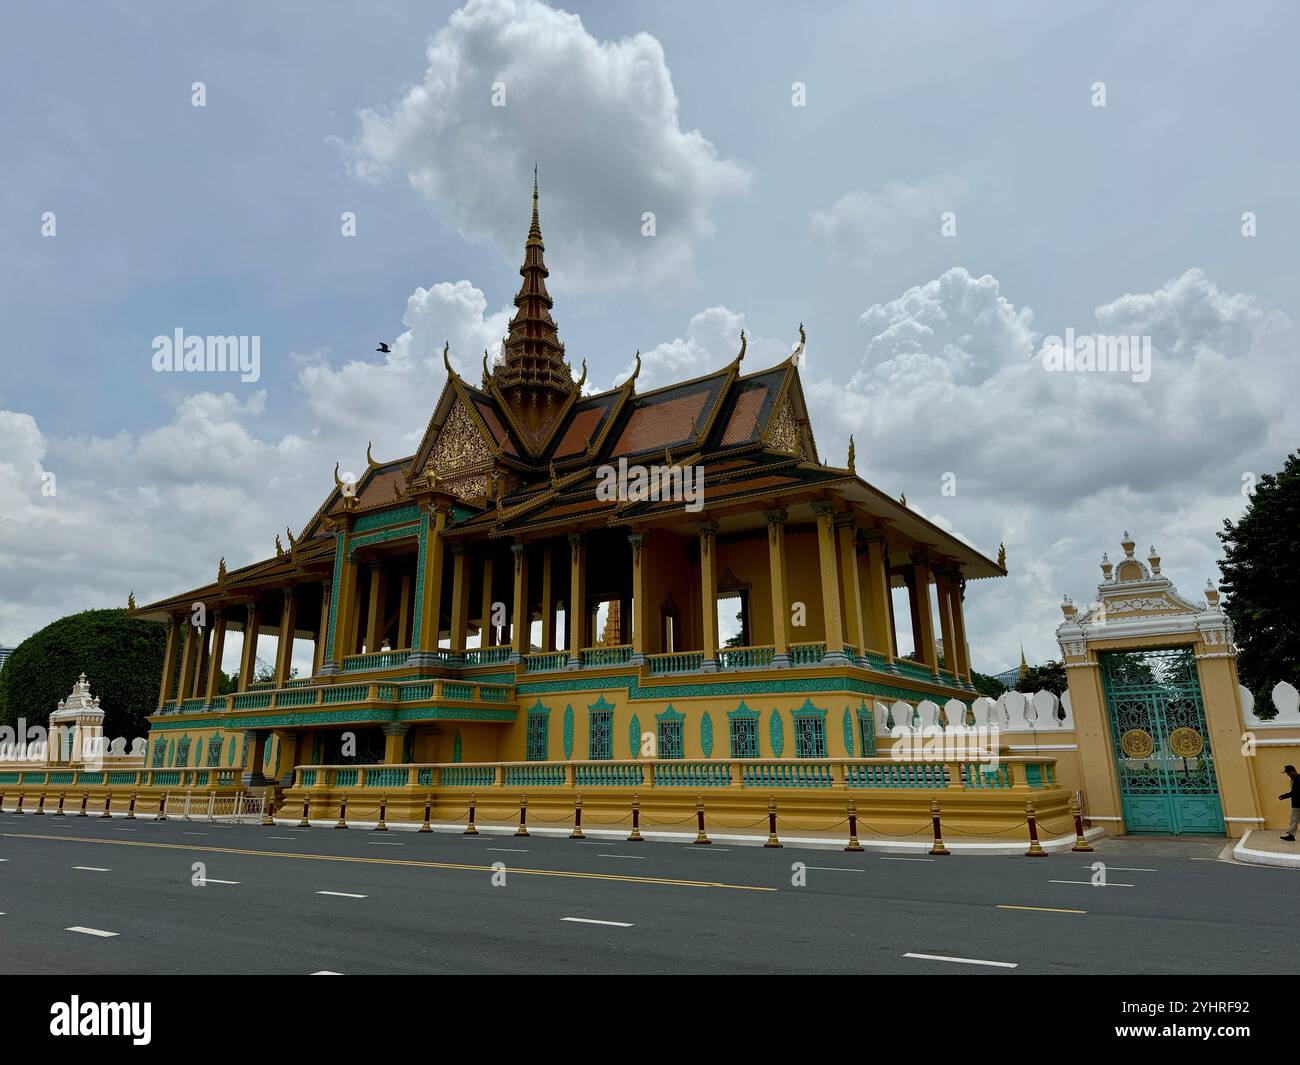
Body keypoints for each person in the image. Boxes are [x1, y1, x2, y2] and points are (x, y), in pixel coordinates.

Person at [1280, 765, 1300, 841]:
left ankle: (1291, 835)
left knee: (1294, 819)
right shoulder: (1294, 779)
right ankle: (1291, 836)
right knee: (1294, 819)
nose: (1287, 775)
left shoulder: (1298, 779)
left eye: (1288, 773)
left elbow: (1296, 792)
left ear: (1292, 771)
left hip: (1298, 804)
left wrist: (1284, 796)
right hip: (1296, 804)